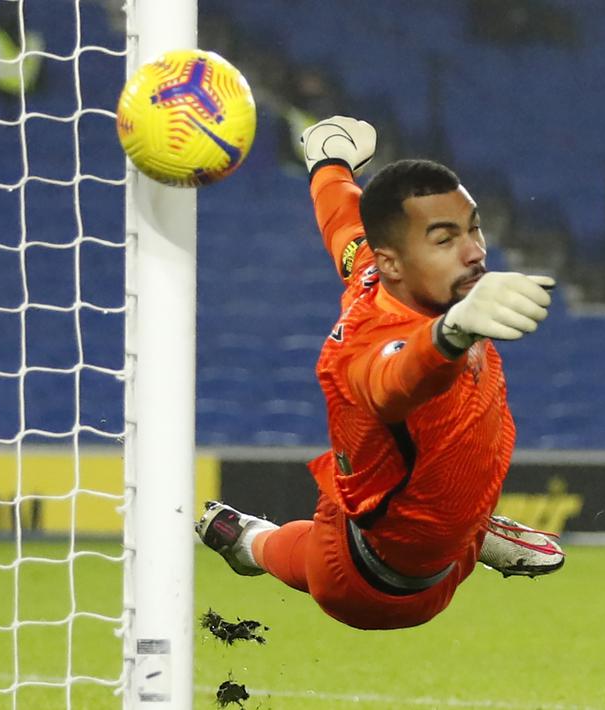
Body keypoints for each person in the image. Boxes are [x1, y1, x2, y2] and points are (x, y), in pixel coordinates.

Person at [197, 116, 565, 631]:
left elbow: (343, 220)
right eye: (444, 238)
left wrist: (328, 161)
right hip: (368, 583)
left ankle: (466, 527)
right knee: (297, 549)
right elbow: (393, 380)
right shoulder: (371, 349)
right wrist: (451, 333)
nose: (474, 250)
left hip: (418, 530)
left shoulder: (378, 267)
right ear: (398, 261)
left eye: (472, 227)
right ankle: (251, 543)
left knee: (424, 464)